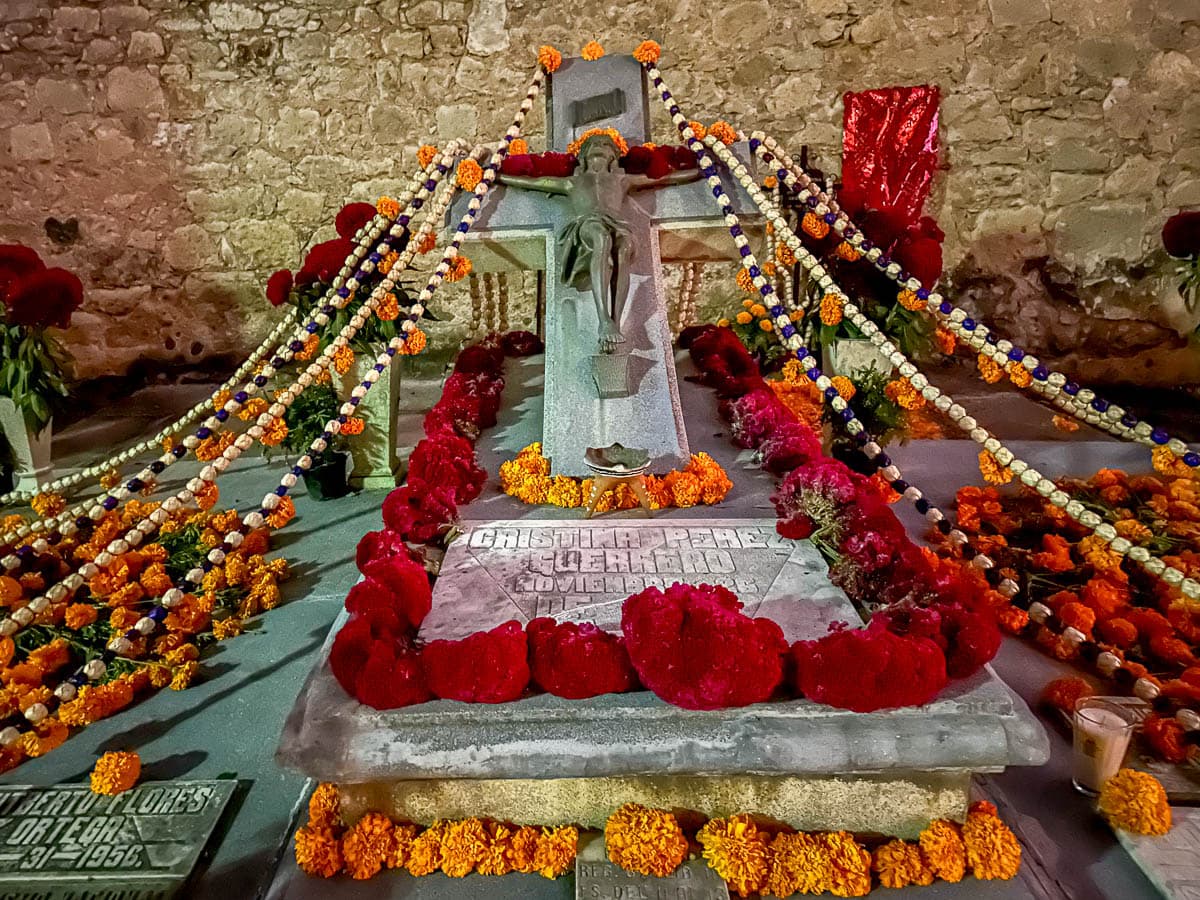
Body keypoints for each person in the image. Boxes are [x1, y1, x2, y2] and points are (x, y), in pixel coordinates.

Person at [498, 133, 702, 354]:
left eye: (605, 145)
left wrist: (704, 170)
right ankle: (603, 319)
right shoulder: (572, 182)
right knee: (601, 238)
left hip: (617, 224)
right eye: (593, 144)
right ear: (583, 155)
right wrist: (497, 176)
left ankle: (615, 321)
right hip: (587, 224)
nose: (599, 147)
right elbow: (535, 182)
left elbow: (663, 179)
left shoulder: (622, 180)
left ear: (613, 157)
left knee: (624, 249)